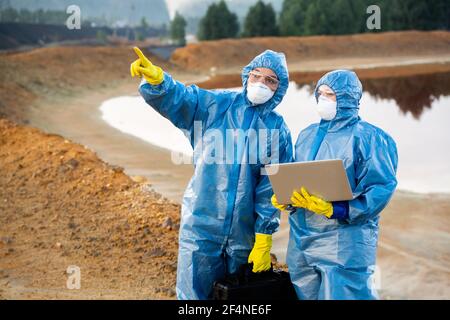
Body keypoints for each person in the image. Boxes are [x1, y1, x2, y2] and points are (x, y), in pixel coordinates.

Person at [130, 47, 293, 299]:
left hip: (244, 232)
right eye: (257, 76)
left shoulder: (277, 129)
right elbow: (182, 99)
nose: (261, 83)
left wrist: (263, 237)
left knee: (237, 298)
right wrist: (159, 82)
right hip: (202, 222)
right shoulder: (215, 106)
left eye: (270, 80)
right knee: (194, 295)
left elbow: (270, 188)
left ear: (279, 89)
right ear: (247, 76)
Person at [272, 70, 398, 300]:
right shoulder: (307, 134)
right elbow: (299, 177)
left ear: (348, 99)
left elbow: (381, 188)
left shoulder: (370, 138)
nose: (323, 99)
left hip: (344, 243)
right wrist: (286, 198)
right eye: (319, 93)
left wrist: (338, 209)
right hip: (302, 239)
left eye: (330, 94)